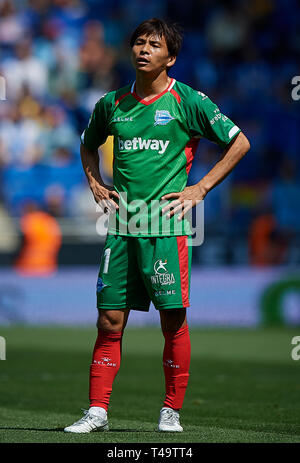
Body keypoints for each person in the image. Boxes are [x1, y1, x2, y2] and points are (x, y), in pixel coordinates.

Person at [64, 18, 250, 433]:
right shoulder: (111, 104)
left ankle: (171, 411)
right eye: (139, 43)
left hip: (166, 230)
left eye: (154, 44)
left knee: (172, 321)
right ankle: (97, 411)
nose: (144, 49)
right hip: (122, 228)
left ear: (172, 57)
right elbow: (87, 144)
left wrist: (199, 188)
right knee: (109, 321)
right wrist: (94, 181)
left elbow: (239, 142)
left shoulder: (188, 101)